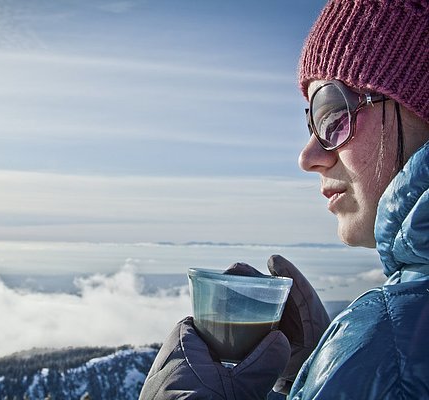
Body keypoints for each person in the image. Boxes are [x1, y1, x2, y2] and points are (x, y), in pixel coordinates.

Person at [139, 0, 429, 399]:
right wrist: (317, 373)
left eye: (333, 113)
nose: (308, 157)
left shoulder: (396, 344)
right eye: (311, 121)